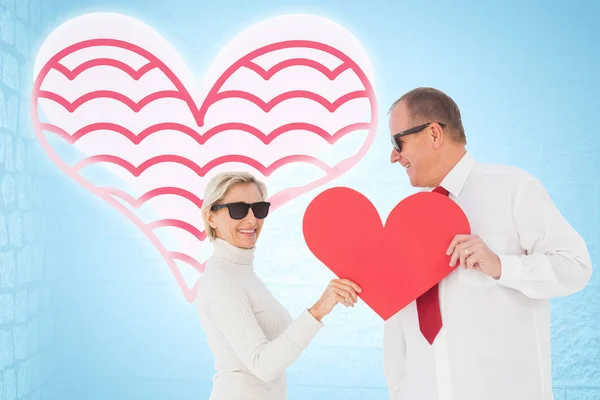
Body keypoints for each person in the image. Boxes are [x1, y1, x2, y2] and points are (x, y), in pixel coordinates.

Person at [384, 87, 592, 400]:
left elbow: (576, 266)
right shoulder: (408, 220)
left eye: (397, 142)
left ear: (434, 134)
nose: (393, 156)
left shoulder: (513, 188)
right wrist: (400, 390)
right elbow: (401, 320)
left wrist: (500, 266)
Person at [195, 171, 362, 400]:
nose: (252, 219)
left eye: (259, 209)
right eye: (238, 209)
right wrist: (320, 308)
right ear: (211, 218)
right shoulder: (222, 279)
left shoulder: (241, 272)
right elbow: (263, 366)